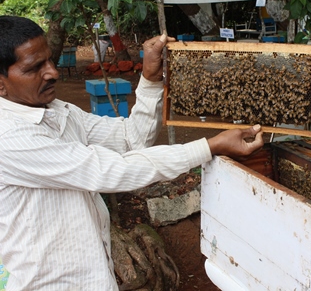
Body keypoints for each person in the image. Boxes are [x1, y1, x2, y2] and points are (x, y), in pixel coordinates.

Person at [0, 15, 264, 290]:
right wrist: (209, 146)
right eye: (34, 68)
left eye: (49, 60)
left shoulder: (58, 111)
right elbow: (112, 171)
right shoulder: (8, 138)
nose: (52, 72)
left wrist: (149, 77)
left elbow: (130, 140)